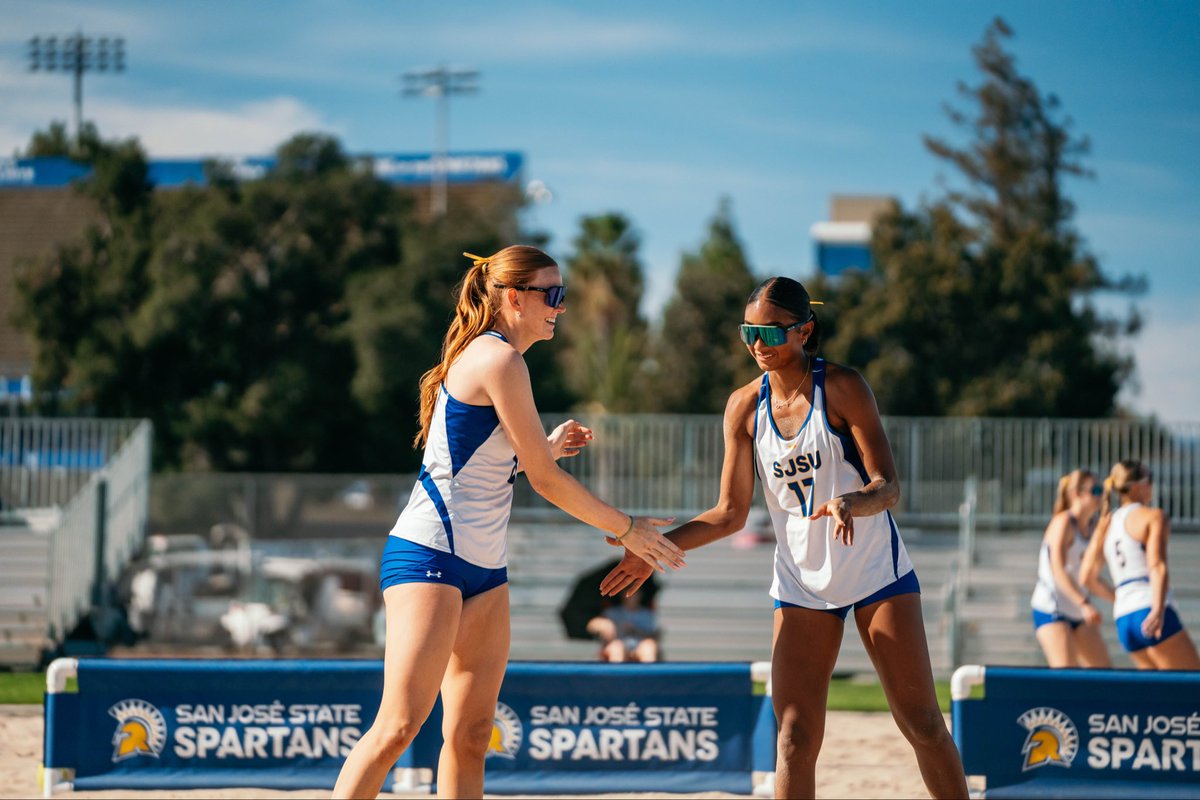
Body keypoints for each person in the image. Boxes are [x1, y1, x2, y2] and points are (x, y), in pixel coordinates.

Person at [332, 246, 685, 799]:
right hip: (430, 555)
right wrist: (627, 528)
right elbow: (544, 482)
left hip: (483, 567)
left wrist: (540, 450)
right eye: (553, 294)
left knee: (471, 735)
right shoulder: (498, 359)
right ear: (513, 297)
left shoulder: (501, 360)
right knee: (398, 727)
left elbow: (487, 460)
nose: (560, 308)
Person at [601, 276, 967, 799]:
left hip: (873, 573)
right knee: (794, 738)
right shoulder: (743, 407)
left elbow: (888, 488)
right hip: (801, 585)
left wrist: (851, 502)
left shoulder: (842, 387)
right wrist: (652, 549)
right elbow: (729, 514)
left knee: (923, 723)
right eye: (749, 332)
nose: (757, 345)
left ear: (804, 330)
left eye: (771, 333)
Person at [1080, 459, 1200, 670]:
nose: (1152, 485)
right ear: (1137, 485)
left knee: (1156, 697)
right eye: (1150, 479)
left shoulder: (1106, 523)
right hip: (1150, 608)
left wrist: (1120, 598)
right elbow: (1157, 566)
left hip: (1125, 617)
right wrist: (1158, 610)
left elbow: (1086, 576)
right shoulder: (1153, 516)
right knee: (1192, 690)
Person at [1030, 469, 1113, 668]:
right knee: (1065, 677)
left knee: (1105, 677)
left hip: (1077, 610)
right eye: (1096, 490)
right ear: (1077, 493)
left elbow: (1090, 576)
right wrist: (1084, 603)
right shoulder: (1063, 522)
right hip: (1052, 607)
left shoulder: (1094, 527)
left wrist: (1120, 599)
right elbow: (1058, 570)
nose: (1100, 495)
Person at [587, 589, 660, 663]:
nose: (632, 594)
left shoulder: (647, 614)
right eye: (628, 590)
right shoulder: (611, 612)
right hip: (617, 648)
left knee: (649, 646)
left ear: (640, 595)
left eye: (635, 591)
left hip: (639, 647)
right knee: (617, 647)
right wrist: (602, 623)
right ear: (622, 594)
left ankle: (648, 673)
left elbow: (655, 635)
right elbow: (591, 626)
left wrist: (635, 629)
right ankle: (615, 673)